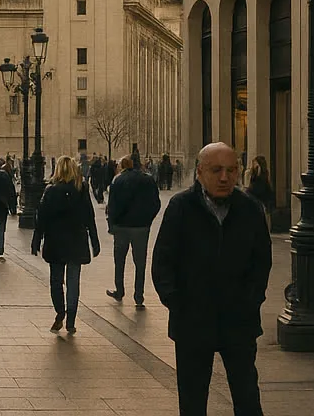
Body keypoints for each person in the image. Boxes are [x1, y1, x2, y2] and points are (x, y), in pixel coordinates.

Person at [151, 142, 272, 416]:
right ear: (200, 172)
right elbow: (163, 262)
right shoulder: (181, 207)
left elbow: (261, 262)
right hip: (193, 323)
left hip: (239, 322)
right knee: (193, 402)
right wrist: (178, 304)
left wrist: (251, 301)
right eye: (216, 170)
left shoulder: (250, 208)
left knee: (248, 399)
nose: (224, 178)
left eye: (231, 170)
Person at [31, 155, 100, 334]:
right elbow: (89, 217)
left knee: (56, 280)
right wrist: (95, 240)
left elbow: (42, 218)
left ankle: (60, 312)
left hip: (55, 241)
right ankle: (71, 319)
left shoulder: (51, 190)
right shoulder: (81, 189)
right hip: (77, 241)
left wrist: (36, 240)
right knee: (73, 282)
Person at [105, 153, 161, 307]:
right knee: (140, 262)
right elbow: (156, 203)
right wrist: (147, 219)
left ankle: (120, 290)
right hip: (141, 227)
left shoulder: (118, 180)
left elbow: (112, 206)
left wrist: (112, 224)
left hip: (121, 227)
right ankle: (139, 295)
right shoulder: (148, 179)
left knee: (120, 260)